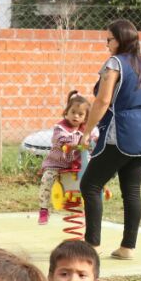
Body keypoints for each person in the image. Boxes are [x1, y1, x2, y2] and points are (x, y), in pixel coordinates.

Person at [81, 19, 141, 260]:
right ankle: (128, 247)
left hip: (122, 134)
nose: (106, 44)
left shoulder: (115, 63)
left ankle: (92, 245)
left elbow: (103, 101)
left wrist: (87, 131)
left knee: (90, 185)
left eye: (109, 39)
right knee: (132, 190)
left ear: (121, 40)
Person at [39, 92, 92, 226]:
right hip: (57, 163)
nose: (76, 116)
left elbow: (93, 141)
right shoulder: (60, 128)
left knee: (91, 178)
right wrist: (77, 145)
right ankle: (44, 209)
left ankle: (91, 208)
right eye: (73, 112)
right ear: (66, 113)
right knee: (47, 178)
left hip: (77, 165)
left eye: (80, 114)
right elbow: (62, 142)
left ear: (85, 118)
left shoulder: (85, 130)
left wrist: (92, 143)